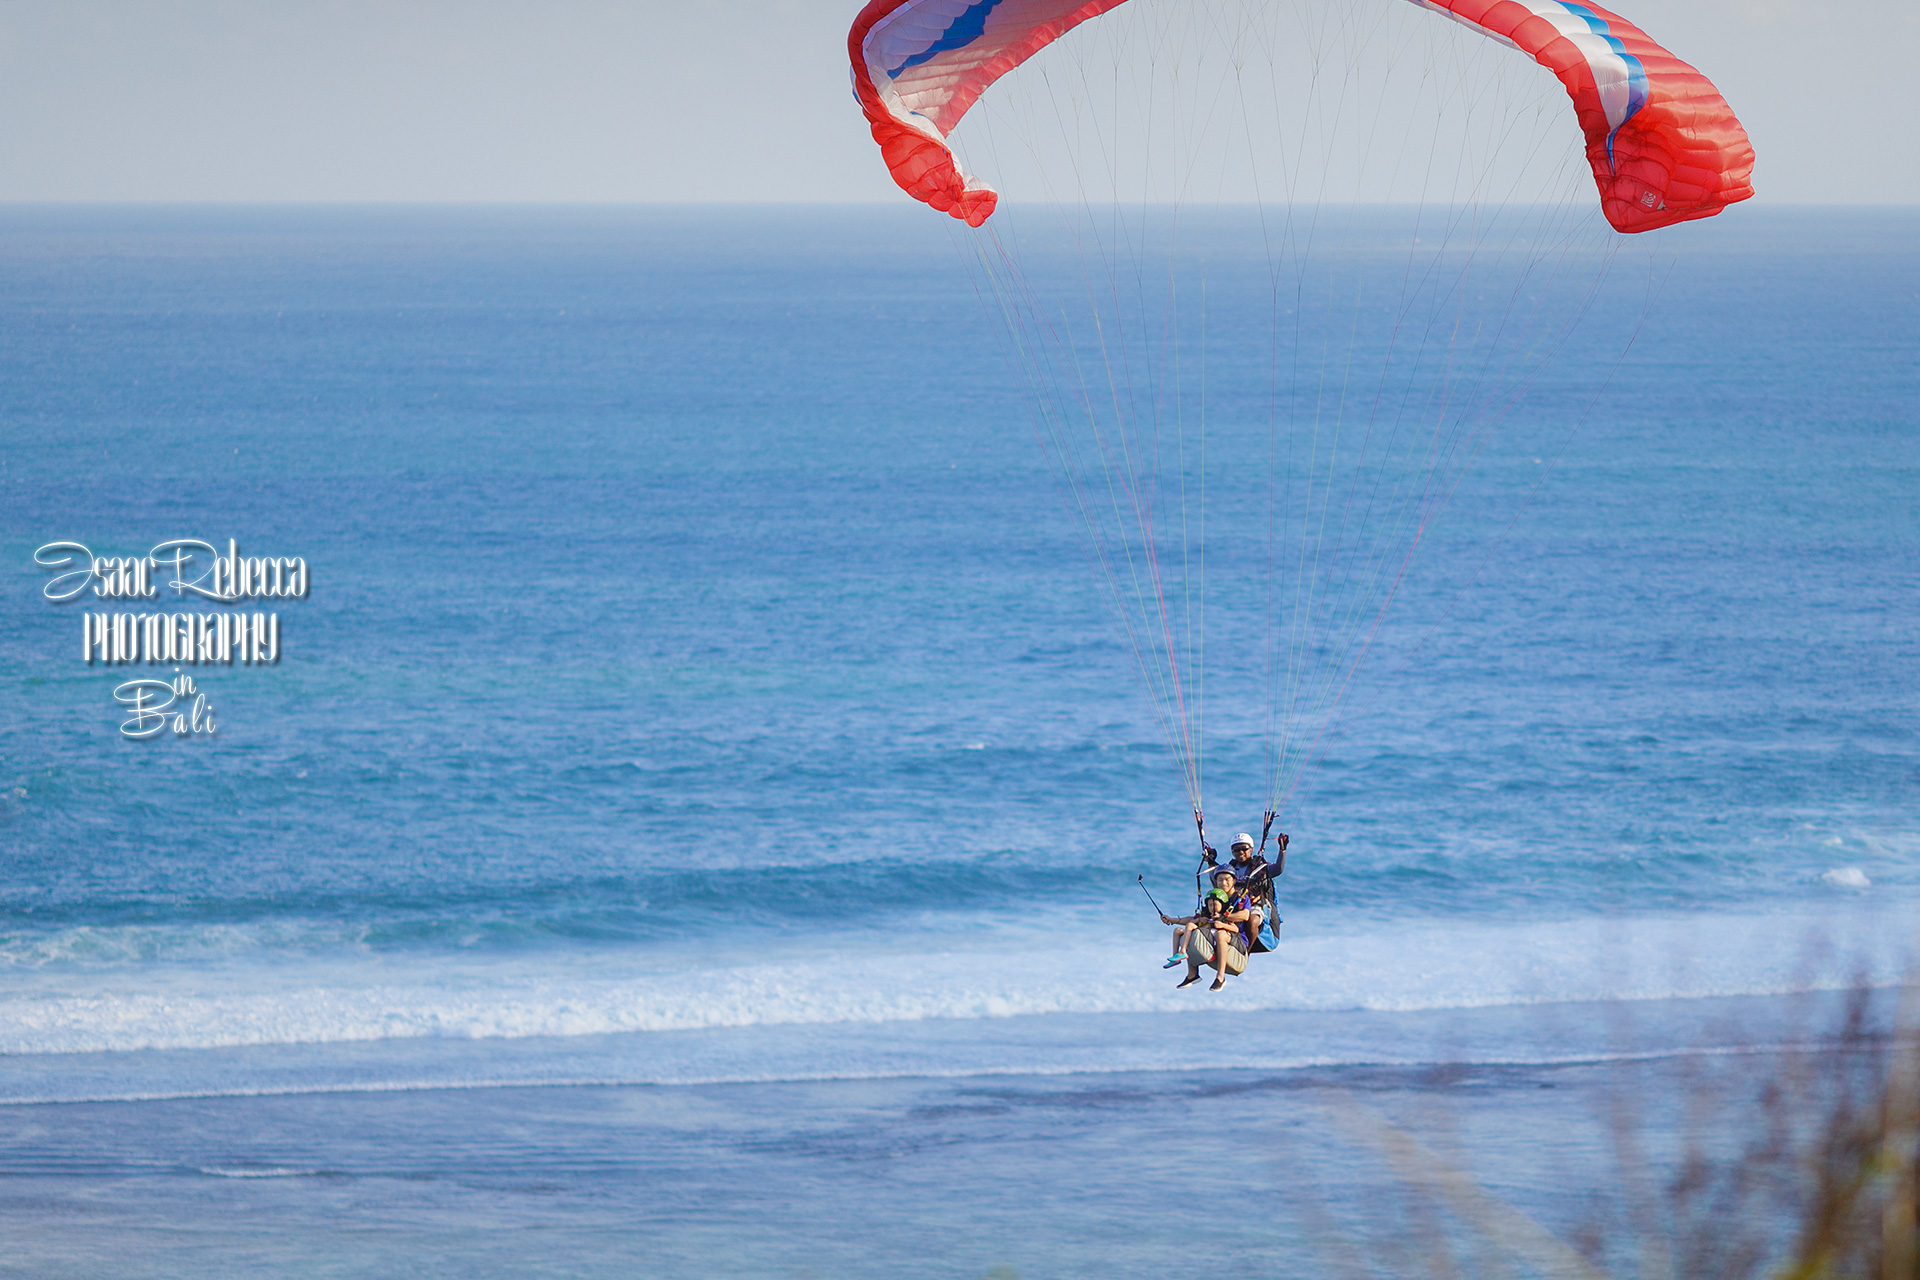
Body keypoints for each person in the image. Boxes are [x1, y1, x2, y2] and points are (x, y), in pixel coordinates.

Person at [1159, 867, 1251, 990]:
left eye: (1227, 879)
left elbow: (1244, 916)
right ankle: (1192, 974)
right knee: (1188, 930)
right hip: (1214, 935)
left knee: (1220, 934)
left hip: (1236, 940)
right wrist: (1173, 920)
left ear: (1234, 880)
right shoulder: (1213, 899)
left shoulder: (1240, 898)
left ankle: (1220, 977)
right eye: (1220, 880)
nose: (1223, 883)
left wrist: (1223, 919)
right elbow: (1195, 918)